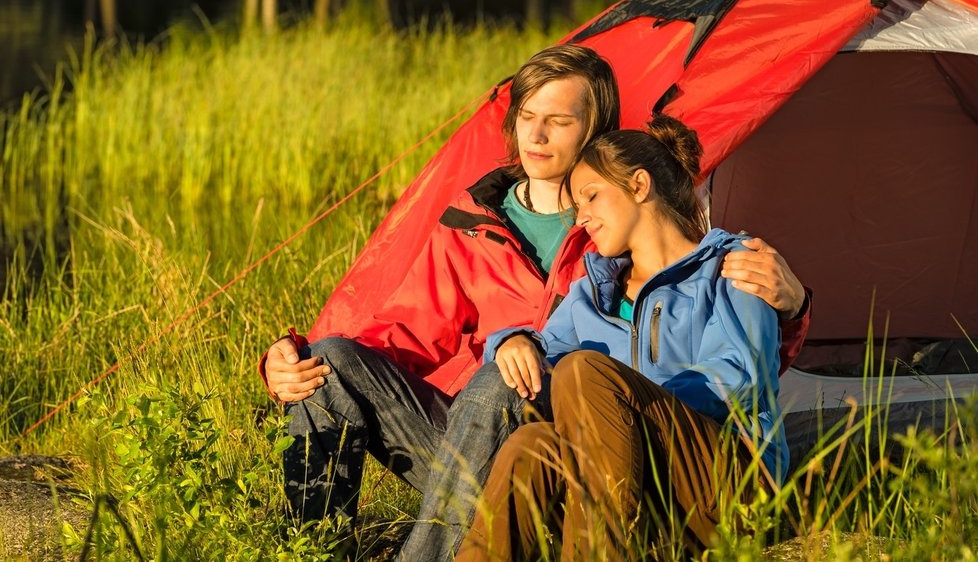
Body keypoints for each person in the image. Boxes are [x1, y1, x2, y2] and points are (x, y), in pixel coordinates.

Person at [258, 45, 809, 559]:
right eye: (527, 116)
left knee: (522, 380)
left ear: (596, 132)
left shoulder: (621, 232)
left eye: (560, 121)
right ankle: (310, 548)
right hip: (484, 442)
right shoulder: (476, 222)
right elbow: (402, 332)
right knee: (328, 361)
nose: (537, 135)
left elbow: (738, 358)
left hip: (605, 433)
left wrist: (793, 306)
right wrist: (288, 357)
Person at [457, 119, 788, 561]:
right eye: (576, 206)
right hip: (642, 486)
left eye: (591, 196)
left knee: (584, 373)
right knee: (530, 445)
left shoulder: (731, 263)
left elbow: (741, 375)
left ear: (638, 186)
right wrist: (512, 341)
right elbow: (543, 352)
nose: (582, 217)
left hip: (730, 488)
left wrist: (622, 400)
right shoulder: (592, 294)